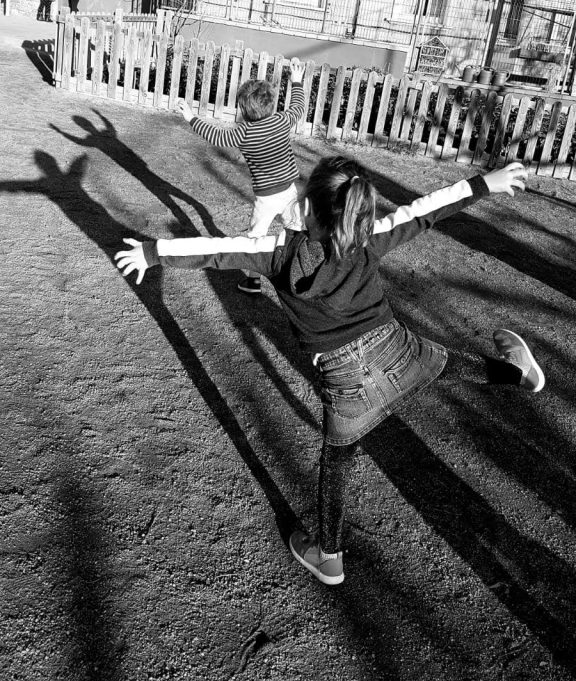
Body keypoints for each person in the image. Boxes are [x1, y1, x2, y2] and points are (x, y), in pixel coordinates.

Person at [115, 158, 544, 587]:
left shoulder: (277, 252)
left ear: (306, 207)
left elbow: (216, 250)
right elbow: (424, 211)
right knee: (446, 364)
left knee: (336, 465)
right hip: (396, 352)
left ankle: (330, 557)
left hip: (344, 383)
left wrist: (153, 252)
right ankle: (517, 373)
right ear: (359, 210)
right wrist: (483, 183)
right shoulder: (367, 238)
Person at [174, 58, 306, 295]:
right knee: (296, 229)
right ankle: (300, 273)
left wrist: (191, 118)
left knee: (256, 239)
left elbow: (216, 136)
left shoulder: (244, 133)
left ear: (243, 110)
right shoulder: (281, 121)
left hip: (266, 198)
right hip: (289, 191)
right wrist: (296, 81)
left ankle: (253, 281)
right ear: (271, 104)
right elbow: (298, 107)